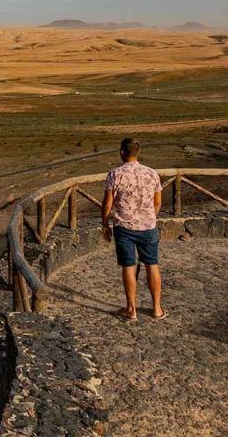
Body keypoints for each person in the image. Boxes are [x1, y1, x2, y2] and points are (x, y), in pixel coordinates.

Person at [101, 137, 166, 321]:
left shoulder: (115, 174)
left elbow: (107, 204)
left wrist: (105, 224)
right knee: (152, 265)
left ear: (122, 152)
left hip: (124, 227)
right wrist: (148, 217)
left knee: (128, 266)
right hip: (148, 227)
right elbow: (158, 202)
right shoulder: (152, 173)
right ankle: (157, 309)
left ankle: (132, 310)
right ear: (138, 152)